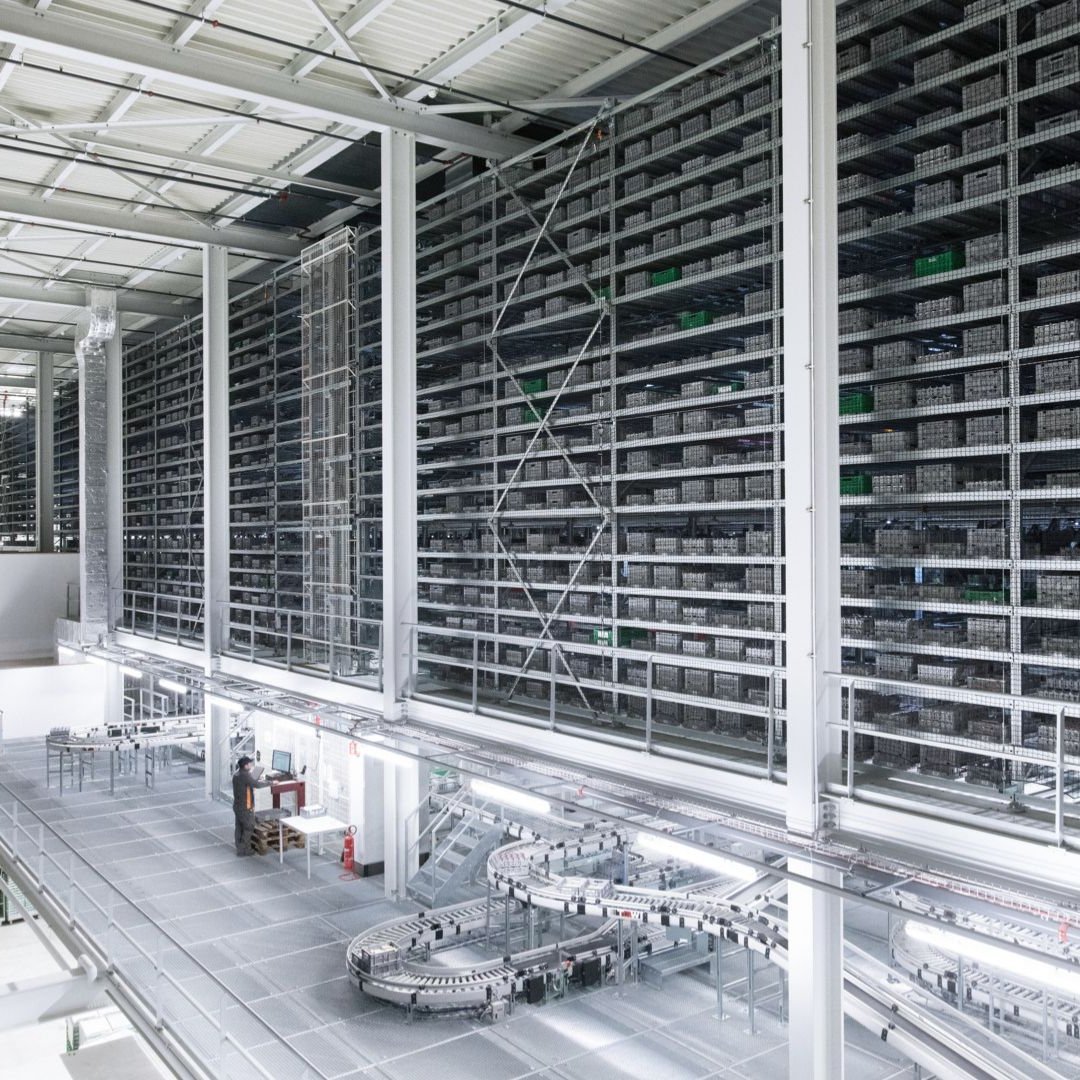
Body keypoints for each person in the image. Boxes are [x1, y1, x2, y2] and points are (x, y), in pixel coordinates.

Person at [233, 756, 270, 856]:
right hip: (245, 808)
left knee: (239, 827)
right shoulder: (245, 776)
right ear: (245, 766)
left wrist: (253, 778)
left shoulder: (237, 774)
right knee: (249, 827)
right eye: (249, 764)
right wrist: (271, 783)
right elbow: (257, 785)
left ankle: (239, 848)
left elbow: (249, 782)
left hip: (237, 807)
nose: (251, 765)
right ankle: (245, 850)